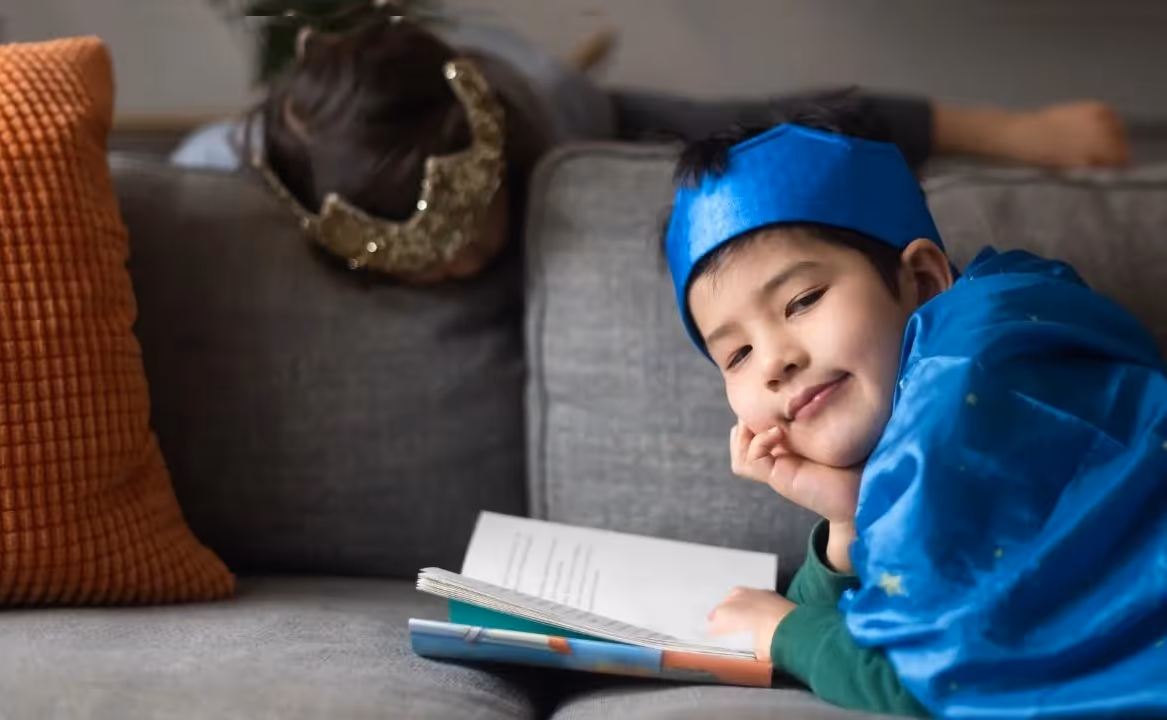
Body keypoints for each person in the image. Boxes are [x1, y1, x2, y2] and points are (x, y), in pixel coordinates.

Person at [663, 107, 1167, 717]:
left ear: (924, 282)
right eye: (737, 353)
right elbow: (896, 616)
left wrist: (784, 634)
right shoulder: (910, 448)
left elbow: (931, 678)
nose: (775, 361)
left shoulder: (969, 379)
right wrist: (848, 521)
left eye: (802, 300)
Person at [170, 8, 1132, 284]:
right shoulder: (223, 175)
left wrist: (1010, 138)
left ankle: (995, 119)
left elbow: (771, 121)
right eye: (430, 251)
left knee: (742, 117)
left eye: (473, 214)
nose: (467, 253)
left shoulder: (553, 109)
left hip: (542, 85)